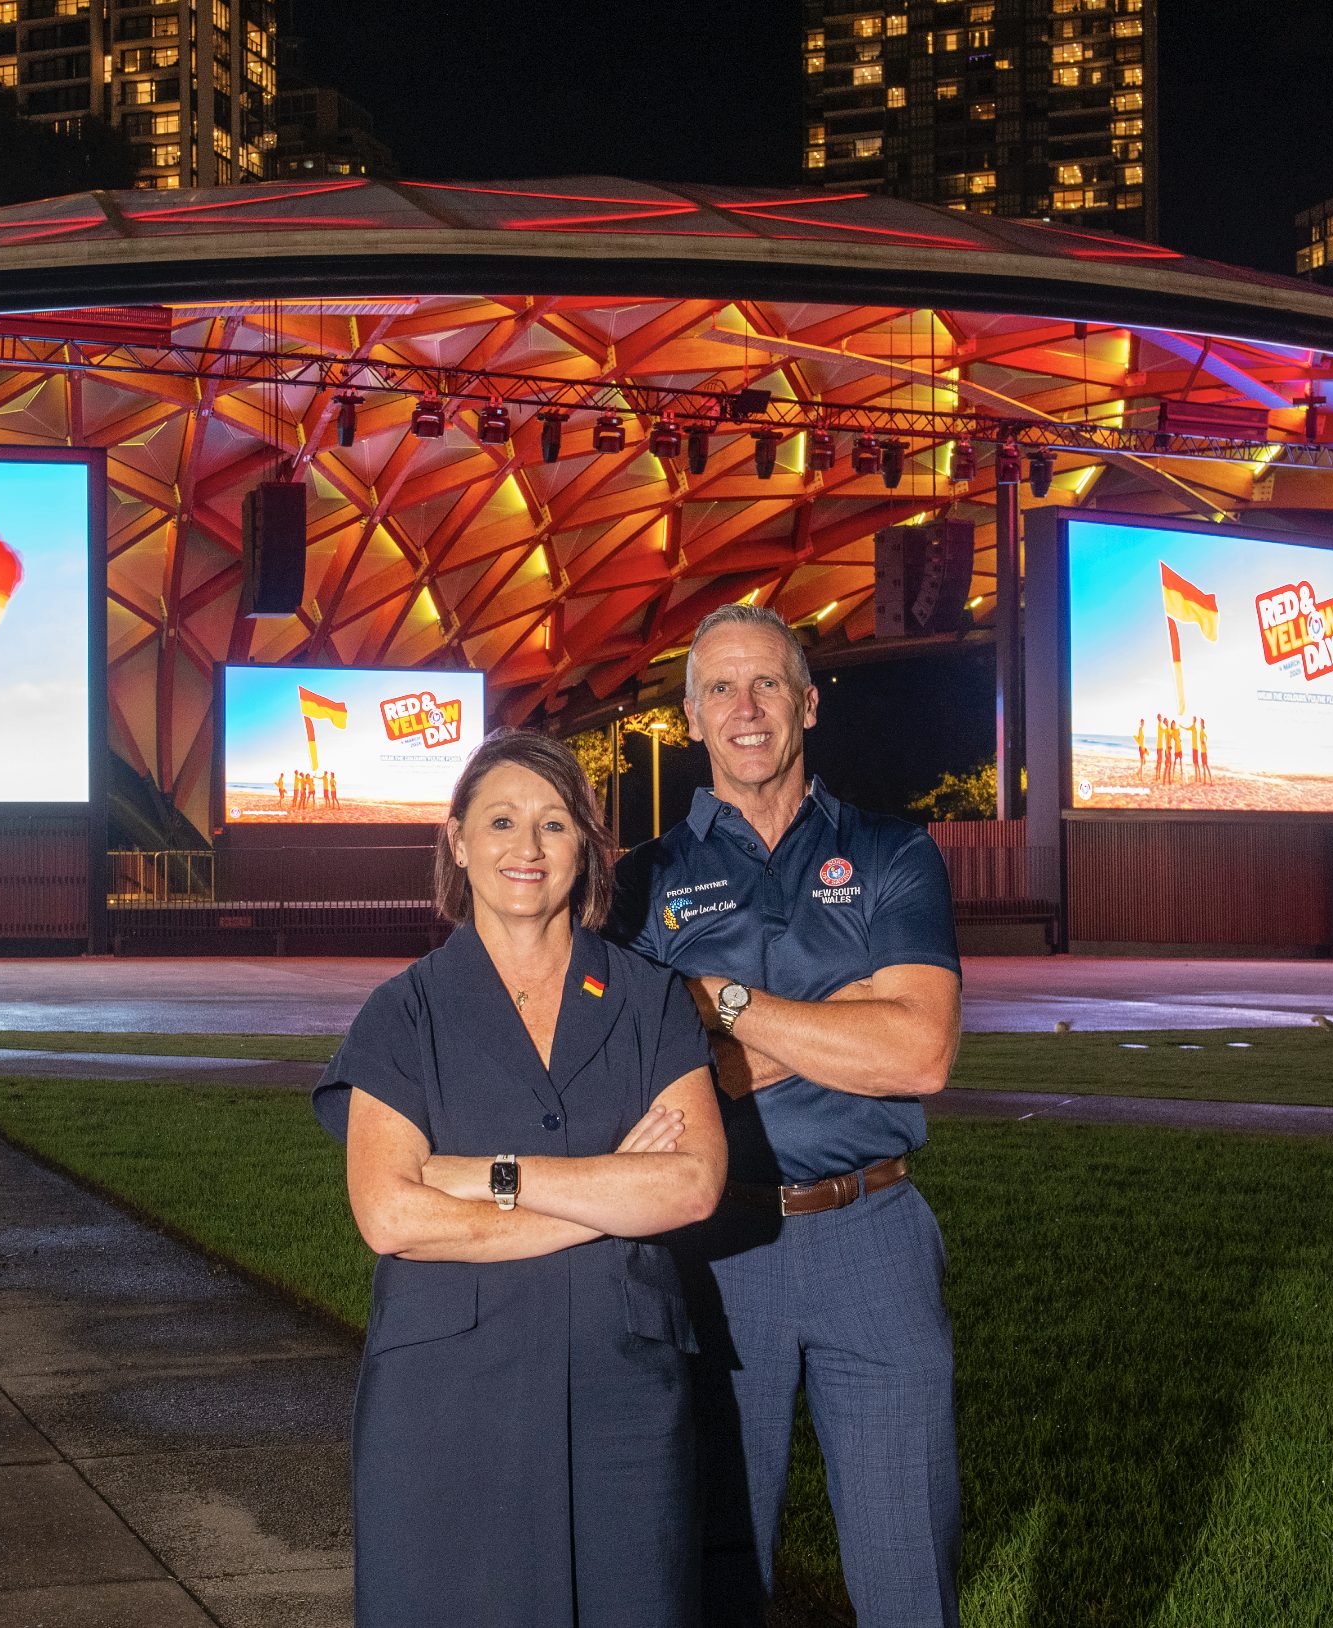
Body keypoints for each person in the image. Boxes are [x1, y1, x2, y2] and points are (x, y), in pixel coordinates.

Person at [315, 728, 727, 1628]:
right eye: (501, 822)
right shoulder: (403, 1012)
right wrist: (611, 1194)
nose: (527, 848)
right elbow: (390, 1215)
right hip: (448, 1407)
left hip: (623, 1400)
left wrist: (497, 1177)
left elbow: (692, 1186)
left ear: (586, 845)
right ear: (459, 841)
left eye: (553, 823)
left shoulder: (647, 996)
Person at [613, 601, 964, 1628]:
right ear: (688, 716)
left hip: (875, 1236)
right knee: (718, 1573)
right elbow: (655, 1087)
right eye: (718, 686)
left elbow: (920, 1050)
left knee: (909, 1575)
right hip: (716, 1247)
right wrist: (844, 1016)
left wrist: (720, 1006)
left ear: (807, 703)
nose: (744, 706)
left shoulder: (892, 851)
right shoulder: (640, 885)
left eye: (766, 681)